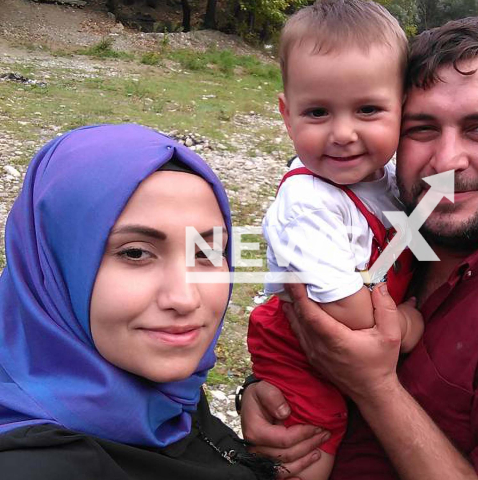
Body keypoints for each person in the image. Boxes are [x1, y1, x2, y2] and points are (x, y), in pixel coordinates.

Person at [240, 17, 478, 480]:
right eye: (421, 128)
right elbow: (310, 331)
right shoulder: (399, 222)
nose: (446, 162)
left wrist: (375, 387)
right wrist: (266, 393)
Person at [0, 124, 278, 479]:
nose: (184, 298)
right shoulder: (38, 464)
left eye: (207, 252)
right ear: (53, 265)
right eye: (135, 253)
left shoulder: (154, 390)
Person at [247, 1, 424, 479]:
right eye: (318, 112)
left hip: (352, 330)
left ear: (402, 107)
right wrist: (407, 326)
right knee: (310, 443)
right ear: (287, 115)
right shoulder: (308, 201)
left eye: (368, 109)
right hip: (301, 344)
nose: (343, 134)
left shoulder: (384, 173)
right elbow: (344, 312)